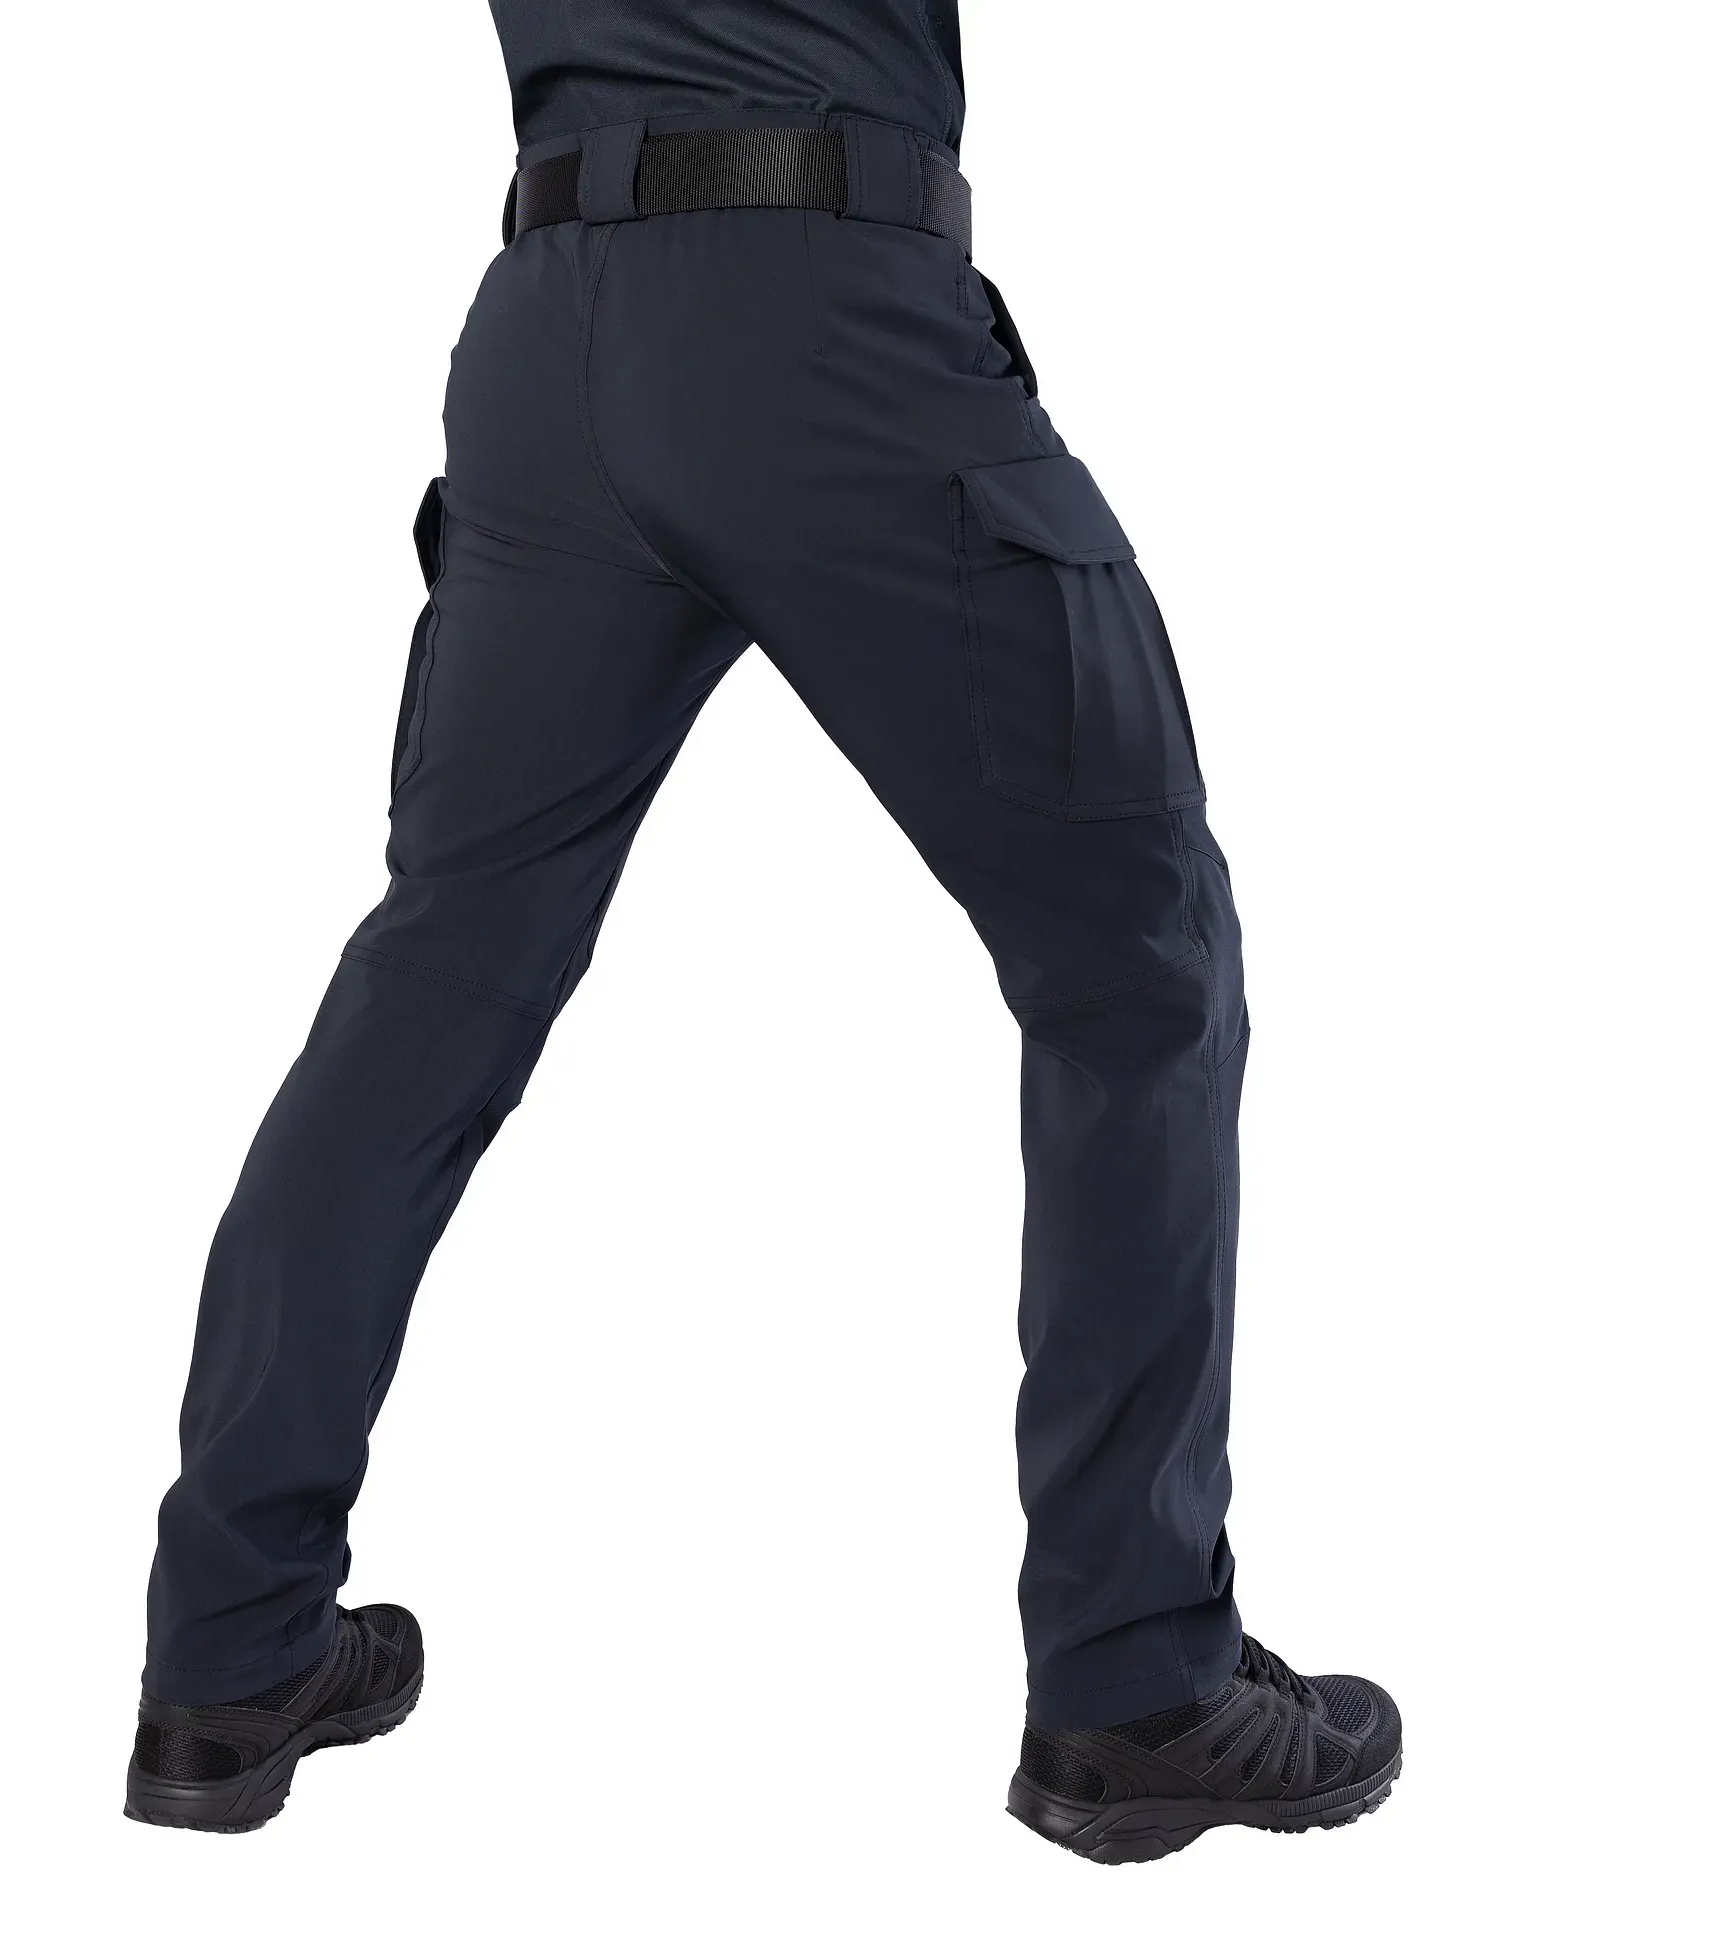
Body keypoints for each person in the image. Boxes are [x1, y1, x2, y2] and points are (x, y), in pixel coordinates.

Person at [125, 2, 1401, 1861]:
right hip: (818, 313)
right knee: (1138, 971)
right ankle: (1133, 1685)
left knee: (431, 987)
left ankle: (225, 1654)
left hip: (546, 333)